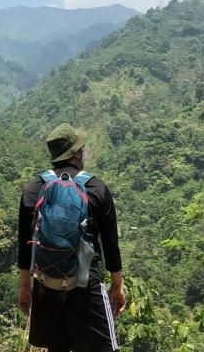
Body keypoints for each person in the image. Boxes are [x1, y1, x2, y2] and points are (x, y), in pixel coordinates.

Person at [17, 123, 125, 352]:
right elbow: (110, 245)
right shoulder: (96, 188)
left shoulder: (33, 189)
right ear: (76, 154)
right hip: (86, 286)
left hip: (46, 287)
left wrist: (25, 288)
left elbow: (25, 246)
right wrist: (117, 285)